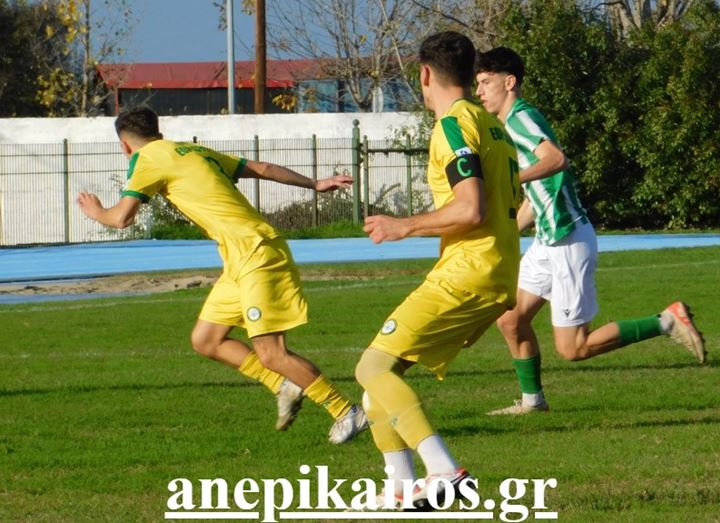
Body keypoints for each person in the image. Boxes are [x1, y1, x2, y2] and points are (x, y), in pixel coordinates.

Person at [77, 106, 368, 443]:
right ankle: (283, 384)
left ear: (125, 146)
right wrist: (314, 183)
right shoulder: (192, 150)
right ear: (159, 132)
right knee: (206, 340)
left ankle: (346, 411)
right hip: (240, 258)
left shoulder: (146, 160)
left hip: (256, 254)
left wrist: (96, 211)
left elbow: (121, 218)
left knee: (272, 353)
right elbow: (261, 168)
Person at [473, 47, 707, 416]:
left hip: (567, 241)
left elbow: (556, 159)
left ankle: (666, 320)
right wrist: (504, 231)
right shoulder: (510, 126)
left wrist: (509, 178)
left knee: (574, 348)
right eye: (477, 84)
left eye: (486, 82)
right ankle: (533, 402)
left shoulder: (520, 118)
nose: (479, 91)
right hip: (547, 243)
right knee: (511, 319)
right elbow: (537, 197)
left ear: (509, 82)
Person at [356, 32, 520, 510]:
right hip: (495, 271)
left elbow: (470, 208)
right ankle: (400, 488)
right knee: (381, 383)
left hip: (469, 271)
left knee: (370, 367)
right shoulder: (492, 126)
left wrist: (403, 225)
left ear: (424, 74)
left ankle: (444, 471)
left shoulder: (452, 126)